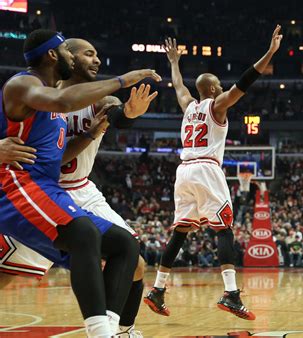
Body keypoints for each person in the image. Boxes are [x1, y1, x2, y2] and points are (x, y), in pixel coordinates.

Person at [0, 29, 160, 337]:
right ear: (60, 55)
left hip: (70, 190)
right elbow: (60, 101)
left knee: (129, 252)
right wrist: (124, 78)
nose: (94, 59)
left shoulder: (98, 99)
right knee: (8, 272)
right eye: (83, 53)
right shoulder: (35, 88)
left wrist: (126, 114)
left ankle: (117, 330)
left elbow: (119, 116)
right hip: (30, 191)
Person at [144, 25, 283, 320]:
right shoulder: (217, 105)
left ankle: (157, 289)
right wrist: (269, 53)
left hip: (184, 172)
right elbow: (245, 82)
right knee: (223, 229)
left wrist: (173, 63)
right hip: (206, 168)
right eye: (219, 84)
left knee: (181, 232)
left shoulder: (188, 106)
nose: (222, 87)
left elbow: (179, 87)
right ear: (211, 89)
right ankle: (231, 294)